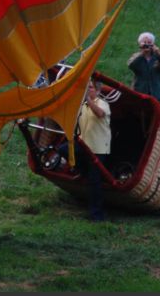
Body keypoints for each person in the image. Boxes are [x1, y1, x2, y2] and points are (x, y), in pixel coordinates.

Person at [57, 80, 112, 222]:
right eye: (86, 88)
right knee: (63, 150)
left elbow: (100, 114)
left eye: (91, 88)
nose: (88, 89)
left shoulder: (103, 103)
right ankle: (82, 171)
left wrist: (87, 99)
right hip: (84, 145)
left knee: (95, 182)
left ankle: (97, 216)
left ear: (98, 91)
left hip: (98, 148)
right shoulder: (82, 105)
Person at [127, 31, 160, 102]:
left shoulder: (157, 56)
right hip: (139, 92)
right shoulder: (136, 56)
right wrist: (142, 54)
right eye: (144, 42)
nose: (147, 44)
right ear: (140, 44)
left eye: (149, 42)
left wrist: (159, 55)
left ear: (153, 44)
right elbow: (131, 65)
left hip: (156, 94)